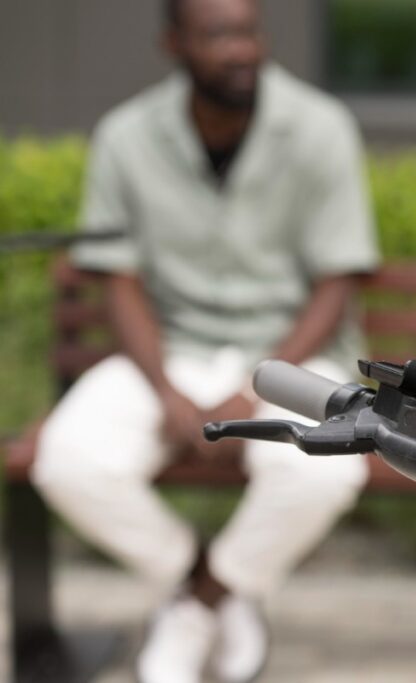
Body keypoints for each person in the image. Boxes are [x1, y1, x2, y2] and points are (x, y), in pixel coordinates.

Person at [30, 0, 379, 681]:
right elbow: (120, 278)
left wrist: (256, 383)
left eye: (248, 31)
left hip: (290, 358)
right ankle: (209, 582)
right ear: (175, 44)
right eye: (218, 34)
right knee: (66, 460)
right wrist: (164, 389)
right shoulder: (127, 136)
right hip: (171, 351)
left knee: (331, 465)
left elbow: (336, 282)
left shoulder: (320, 128)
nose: (240, 49)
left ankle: (197, 605)